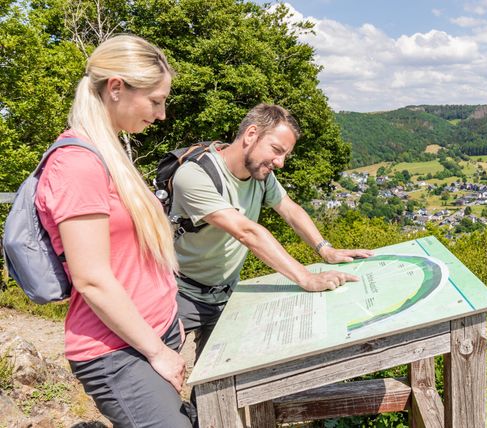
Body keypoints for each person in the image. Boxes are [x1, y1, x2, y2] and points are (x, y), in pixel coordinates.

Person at [34, 35, 191, 426]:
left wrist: (169, 317)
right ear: (116, 88)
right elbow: (92, 279)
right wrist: (157, 350)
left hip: (150, 333)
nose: (162, 115)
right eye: (155, 101)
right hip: (117, 350)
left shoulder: (108, 153)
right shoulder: (77, 164)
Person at [171, 103, 373, 360]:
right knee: (158, 374)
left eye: (285, 155)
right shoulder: (195, 176)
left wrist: (326, 250)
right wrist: (306, 278)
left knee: (215, 384)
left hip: (225, 292)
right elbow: (246, 232)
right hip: (178, 292)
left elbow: (289, 209)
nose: (280, 162)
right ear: (251, 134)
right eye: (277, 150)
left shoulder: (261, 175)